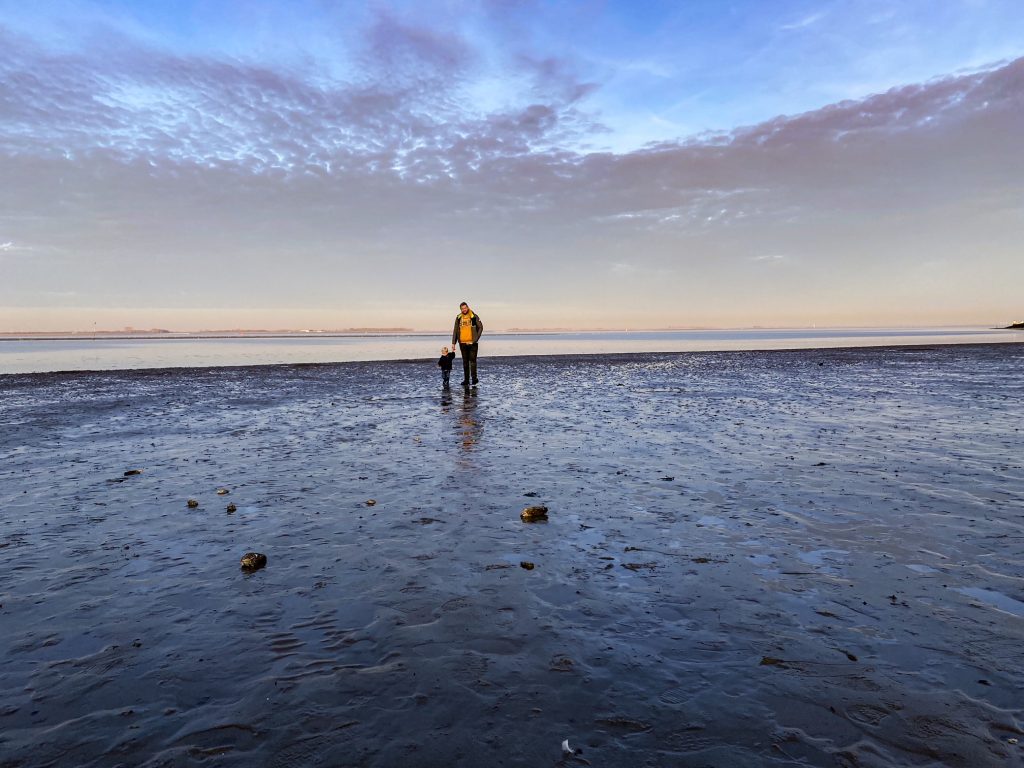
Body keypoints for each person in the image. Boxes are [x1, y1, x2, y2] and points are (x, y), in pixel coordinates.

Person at [451, 301, 483, 386]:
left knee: (472, 361)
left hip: (472, 343)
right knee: (465, 362)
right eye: (462, 308)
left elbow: (481, 327)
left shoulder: (473, 316)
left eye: (465, 308)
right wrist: (453, 342)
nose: (464, 310)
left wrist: (475, 339)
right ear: (460, 309)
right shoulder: (458, 317)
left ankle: (474, 379)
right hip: (462, 343)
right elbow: (455, 330)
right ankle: (466, 380)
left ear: (467, 307)